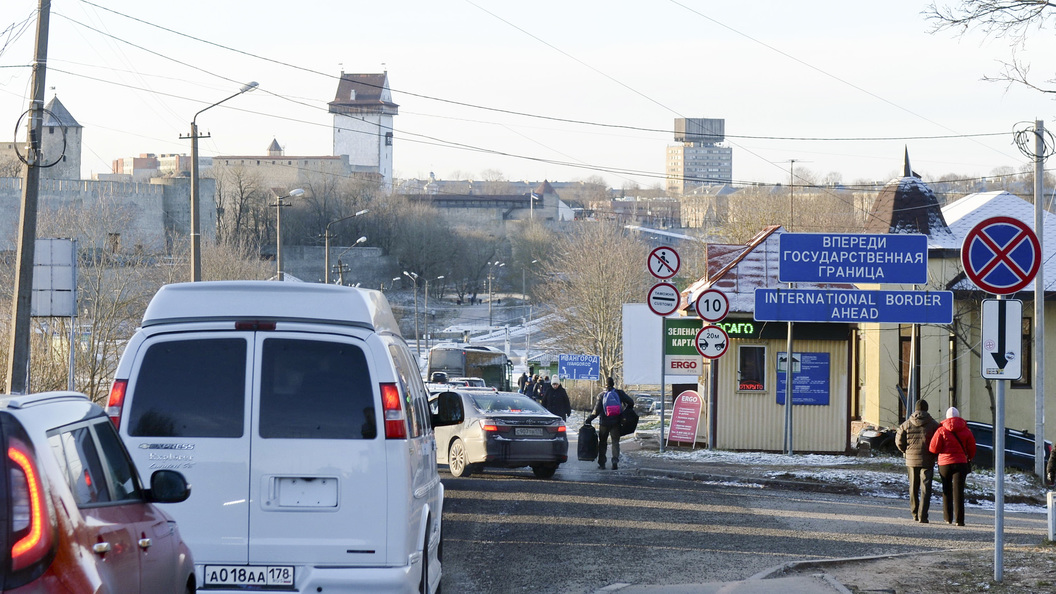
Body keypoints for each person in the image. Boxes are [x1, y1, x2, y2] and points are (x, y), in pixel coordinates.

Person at [929, 407, 976, 526]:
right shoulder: (966, 430)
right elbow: (972, 448)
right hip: (961, 463)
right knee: (959, 491)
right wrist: (968, 457)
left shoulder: (941, 430)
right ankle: (959, 520)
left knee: (946, 489)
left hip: (944, 464)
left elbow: (933, 448)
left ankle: (947, 517)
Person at [895, 399, 940, 523]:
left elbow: (899, 441)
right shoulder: (933, 424)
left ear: (915, 409)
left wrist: (906, 451)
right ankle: (923, 515)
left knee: (913, 487)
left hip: (911, 460)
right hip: (927, 459)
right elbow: (938, 441)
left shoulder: (906, 424)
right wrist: (934, 454)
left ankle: (914, 513)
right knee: (926, 488)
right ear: (927, 409)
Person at [585, 377, 634, 470]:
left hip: (604, 423)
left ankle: (602, 463)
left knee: (603, 443)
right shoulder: (619, 393)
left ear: (605, 385)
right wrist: (625, 412)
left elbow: (596, 411)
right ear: (613, 384)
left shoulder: (601, 395)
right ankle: (615, 460)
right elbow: (631, 402)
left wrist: (589, 419)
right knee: (615, 442)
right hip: (616, 422)